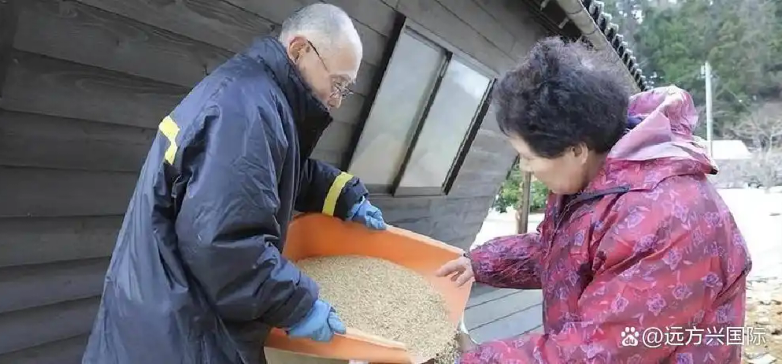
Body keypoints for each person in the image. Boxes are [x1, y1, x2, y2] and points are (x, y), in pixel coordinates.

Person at [82, 4, 386, 364]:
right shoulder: (245, 111)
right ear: (300, 50)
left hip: (161, 313)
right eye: (337, 84)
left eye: (345, 90)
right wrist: (296, 304)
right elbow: (224, 245)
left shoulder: (257, 97)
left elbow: (275, 173)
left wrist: (342, 195)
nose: (336, 100)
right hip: (176, 333)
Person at [438, 37, 752, 363]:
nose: (525, 168)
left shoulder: (665, 220)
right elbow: (562, 250)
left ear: (576, 150)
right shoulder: (597, 176)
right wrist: (481, 263)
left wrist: (474, 359)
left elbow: (596, 352)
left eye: (527, 157)